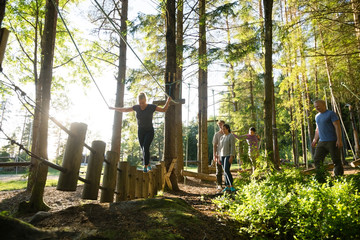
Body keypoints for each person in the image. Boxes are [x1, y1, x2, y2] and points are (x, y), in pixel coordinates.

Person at [109, 92, 171, 172]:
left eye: (143, 102)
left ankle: (145, 166)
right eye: (140, 103)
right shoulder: (137, 107)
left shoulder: (151, 107)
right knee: (143, 149)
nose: (141, 105)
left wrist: (168, 101)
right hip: (141, 131)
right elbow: (125, 109)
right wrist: (114, 108)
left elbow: (163, 110)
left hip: (149, 131)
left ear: (146, 100)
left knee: (145, 146)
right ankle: (148, 164)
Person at [311, 99, 344, 182]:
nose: (316, 108)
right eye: (315, 107)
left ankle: (338, 178)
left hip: (332, 141)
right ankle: (321, 178)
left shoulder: (331, 114)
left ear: (323, 105)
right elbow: (317, 129)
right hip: (321, 141)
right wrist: (315, 139)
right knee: (317, 159)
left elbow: (337, 127)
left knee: (336, 160)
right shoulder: (317, 116)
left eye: (318, 106)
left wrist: (339, 140)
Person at [219, 124, 236, 192]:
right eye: (222, 129)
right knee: (225, 171)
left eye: (224, 129)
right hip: (222, 155)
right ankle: (227, 186)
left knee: (226, 170)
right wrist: (219, 157)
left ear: (228, 129)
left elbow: (232, 146)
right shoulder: (222, 137)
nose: (223, 130)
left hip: (228, 155)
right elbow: (220, 148)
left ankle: (231, 185)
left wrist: (232, 156)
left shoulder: (231, 136)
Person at [212, 120, 225, 190]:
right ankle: (219, 184)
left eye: (221, 124)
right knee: (219, 170)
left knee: (226, 169)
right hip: (219, 154)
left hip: (226, 154)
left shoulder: (228, 134)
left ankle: (227, 184)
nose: (220, 126)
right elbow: (214, 145)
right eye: (219, 125)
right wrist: (214, 154)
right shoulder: (216, 134)